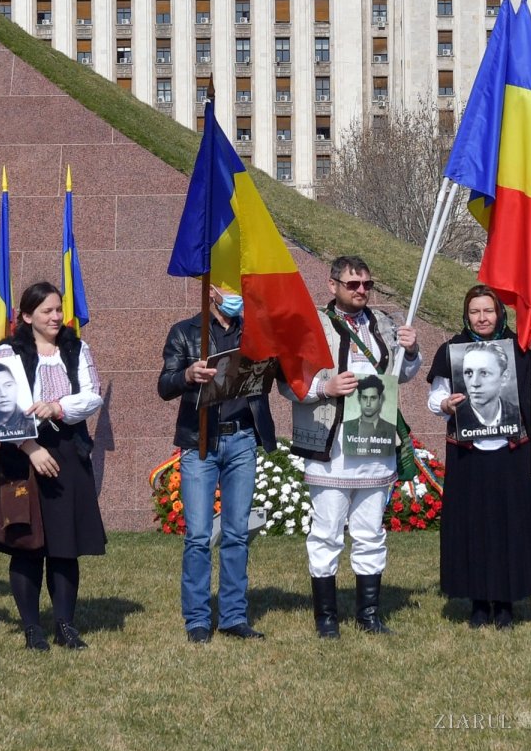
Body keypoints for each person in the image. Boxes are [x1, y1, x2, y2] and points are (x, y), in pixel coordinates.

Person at [286, 255, 420, 638]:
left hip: (374, 441)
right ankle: (326, 619)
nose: (361, 291)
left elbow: (401, 376)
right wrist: (323, 389)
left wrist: (410, 352)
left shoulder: (383, 324)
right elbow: (287, 381)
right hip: (331, 446)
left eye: (366, 285)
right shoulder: (312, 325)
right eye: (352, 284)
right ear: (332, 285)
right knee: (327, 532)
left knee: (369, 531)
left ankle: (369, 614)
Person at [0, 282, 106, 651]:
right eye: (48, 310)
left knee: (65, 543)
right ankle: (32, 628)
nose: (56, 317)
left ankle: (65, 624)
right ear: (27, 316)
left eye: (58, 309)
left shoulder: (75, 348)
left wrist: (59, 408)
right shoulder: (8, 352)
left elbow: (93, 393)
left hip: (66, 450)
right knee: (27, 543)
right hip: (21, 453)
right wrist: (29, 446)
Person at [426, 285, 531, 629]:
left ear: (500, 313)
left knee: (508, 525)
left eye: (488, 310)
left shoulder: (519, 347)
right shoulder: (452, 349)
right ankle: (478, 602)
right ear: (465, 315)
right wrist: (444, 404)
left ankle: (505, 602)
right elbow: (436, 396)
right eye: (475, 311)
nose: (482, 318)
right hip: (468, 454)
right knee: (473, 526)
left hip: (511, 453)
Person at [159, 285, 277, 643]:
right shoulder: (186, 331)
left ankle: (233, 616)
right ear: (212, 292)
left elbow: (277, 375)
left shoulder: (256, 330)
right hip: (201, 444)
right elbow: (164, 385)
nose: (237, 295)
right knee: (198, 536)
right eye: (229, 289)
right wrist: (187, 376)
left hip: (242, 438)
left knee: (237, 534)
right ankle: (197, 620)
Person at [452, 342, 523, 439]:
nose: (475, 383)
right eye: (469, 373)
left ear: (504, 377)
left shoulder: (517, 415)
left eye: (484, 373)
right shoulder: (458, 417)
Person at [341, 374, 397, 456]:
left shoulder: (390, 429)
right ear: (359, 399)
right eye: (364, 397)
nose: (368, 403)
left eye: (373, 398)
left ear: (380, 399)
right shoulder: (347, 426)